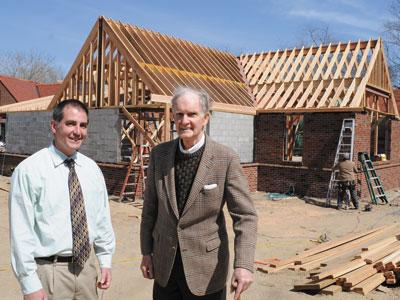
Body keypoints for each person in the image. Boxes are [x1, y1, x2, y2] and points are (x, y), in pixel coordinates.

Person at [140, 87, 258, 300]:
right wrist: (146, 252)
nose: (184, 120)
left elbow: (246, 216)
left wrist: (243, 265)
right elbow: (150, 209)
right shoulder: (159, 155)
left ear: (205, 118)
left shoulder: (225, 159)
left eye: (192, 114)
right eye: (179, 114)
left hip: (207, 271)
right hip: (165, 268)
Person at [9, 99, 115, 300]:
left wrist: (105, 260)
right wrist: (29, 284)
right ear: (54, 126)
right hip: (49, 273)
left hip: (87, 271)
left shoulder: (92, 169)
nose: (77, 131)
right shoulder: (30, 170)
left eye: (83, 125)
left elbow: (101, 220)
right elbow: (21, 232)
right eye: (70, 123)